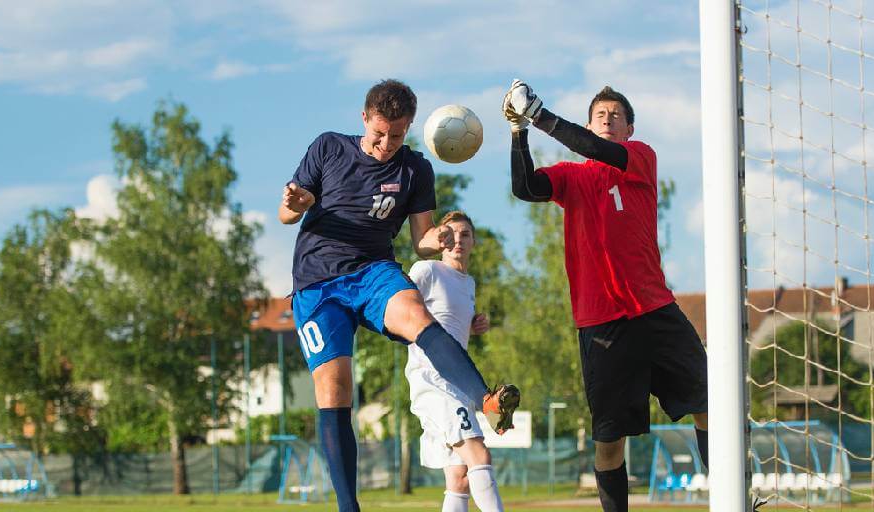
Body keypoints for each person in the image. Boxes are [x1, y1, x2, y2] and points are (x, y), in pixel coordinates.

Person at [280, 79, 520, 512]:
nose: (387, 143)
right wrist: (296, 202)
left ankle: (485, 398)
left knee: (416, 316)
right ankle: (349, 508)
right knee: (335, 390)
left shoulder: (415, 169)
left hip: (373, 270)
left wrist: (439, 235)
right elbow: (286, 212)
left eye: (397, 134)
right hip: (317, 284)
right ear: (364, 118)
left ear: (408, 127)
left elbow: (421, 238)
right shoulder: (329, 147)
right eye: (379, 133)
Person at [503, 80, 708, 512]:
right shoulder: (572, 176)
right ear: (590, 124)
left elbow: (602, 152)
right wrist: (518, 131)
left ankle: (735, 499)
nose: (608, 120)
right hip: (601, 321)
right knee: (609, 441)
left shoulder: (639, 158)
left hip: (656, 309)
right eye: (601, 115)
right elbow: (525, 188)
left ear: (630, 129)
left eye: (617, 116)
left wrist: (539, 114)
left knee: (711, 402)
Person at [405, 211, 505, 512]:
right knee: (479, 454)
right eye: (449, 234)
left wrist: (472, 325)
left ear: (474, 241)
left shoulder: (468, 283)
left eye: (464, 235)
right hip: (432, 379)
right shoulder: (427, 270)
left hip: (457, 383)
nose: (457, 240)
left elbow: (447, 325)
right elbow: (401, 308)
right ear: (439, 239)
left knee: (459, 478)